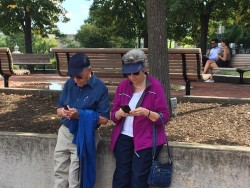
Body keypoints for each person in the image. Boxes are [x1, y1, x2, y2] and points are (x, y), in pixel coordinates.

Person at [110, 49, 170, 188]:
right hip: (124, 138)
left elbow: (164, 118)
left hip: (146, 140)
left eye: (135, 73)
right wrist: (120, 113)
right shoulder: (123, 85)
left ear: (144, 69)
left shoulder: (155, 87)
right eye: (128, 73)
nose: (131, 77)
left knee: (138, 180)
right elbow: (113, 116)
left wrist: (147, 113)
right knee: (121, 177)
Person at [54, 52, 110, 188]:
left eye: (79, 77)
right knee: (59, 171)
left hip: (84, 135)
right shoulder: (69, 84)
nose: (75, 80)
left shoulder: (100, 88)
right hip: (65, 131)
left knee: (76, 177)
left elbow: (104, 119)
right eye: (72, 76)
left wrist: (80, 115)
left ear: (89, 71)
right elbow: (58, 109)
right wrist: (63, 112)